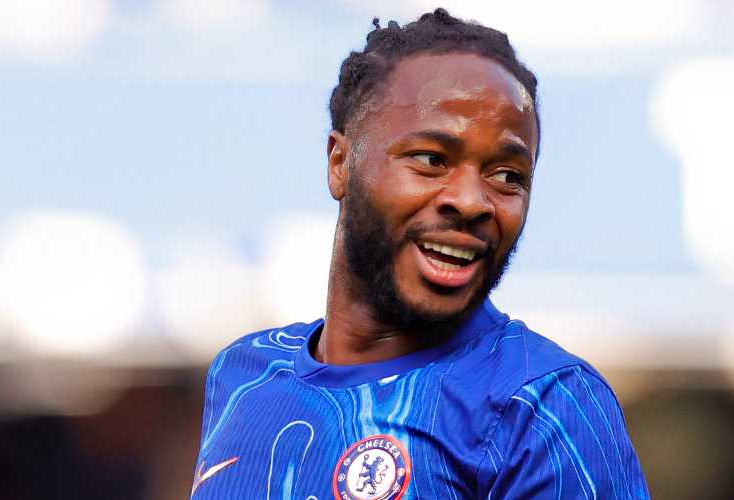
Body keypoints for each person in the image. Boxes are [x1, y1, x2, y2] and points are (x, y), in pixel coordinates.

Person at [190, 8, 649, 499]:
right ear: (340, 163)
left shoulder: (542, 408)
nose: (471, 202)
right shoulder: (242, 374)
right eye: (432, 159)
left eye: (507, 176)